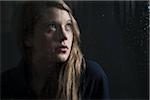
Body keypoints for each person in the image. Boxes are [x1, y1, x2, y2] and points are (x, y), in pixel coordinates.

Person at [1, 0, 109, 99]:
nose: (64, 36)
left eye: (68, 26)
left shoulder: (90, 77)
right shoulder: (7, 83)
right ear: (28, 37)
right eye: (52, 26)